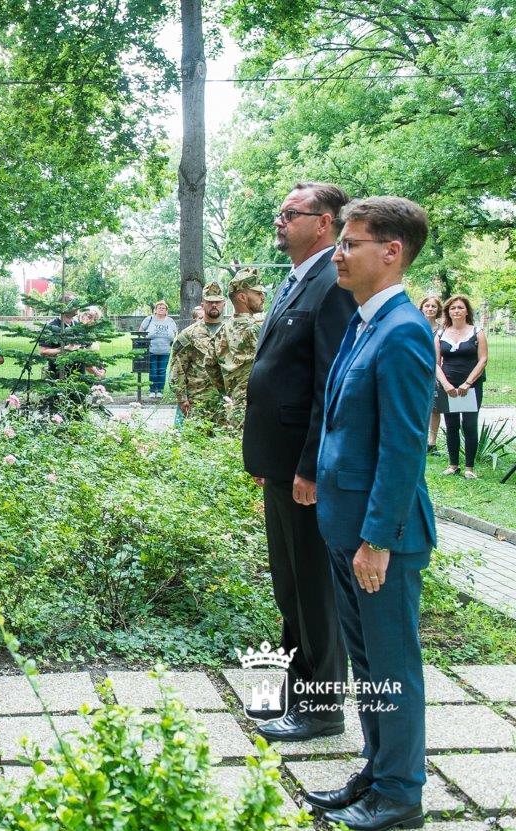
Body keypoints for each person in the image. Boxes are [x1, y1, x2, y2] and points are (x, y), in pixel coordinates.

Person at [308, 196, 436, 831]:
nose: (339, 253)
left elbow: (405, 446)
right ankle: (375, 769)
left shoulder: (406, 330)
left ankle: (400, 792)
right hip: (348, 527)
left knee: (391, 666)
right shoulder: (367, 321)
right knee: (368, 665)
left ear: (391, 252)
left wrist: (376, 540)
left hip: (380, 536)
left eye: (350, 243)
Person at [242, 181, 356, 743]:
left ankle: (322, 707)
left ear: (326, 221)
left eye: (292, 213)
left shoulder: (332, 284)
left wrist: (310, 466)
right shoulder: (297, 280)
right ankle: (294, 692)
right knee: (290, 585)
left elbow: (326, 388)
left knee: (313, 586)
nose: (280, 221)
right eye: (280, 212)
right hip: (280, 462)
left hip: (304, 471)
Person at [436, 294, 489, 478]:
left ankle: (469, 468)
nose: (456, 311)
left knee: (469, 424)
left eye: (460, 307)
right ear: (448, 312)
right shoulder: (441, 334)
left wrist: (468, 383)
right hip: (448, 386)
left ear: (467, 311)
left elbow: (483, 360)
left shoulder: (477, 331)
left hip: (471, 386)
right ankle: (453, 465)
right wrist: (445, 384)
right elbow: (435, 363)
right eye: (452, 308)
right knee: (451, 425)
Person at [168, 282, 228, 423]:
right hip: (198, 401)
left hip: (227, 400)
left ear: (224, 304)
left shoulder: (232, 332)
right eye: (210, 302)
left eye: (217, 302)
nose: (214, 305)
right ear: (202, 305)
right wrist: (182, 399)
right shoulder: (189, 334)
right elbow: (177, 368)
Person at [217, 269, 266, 422]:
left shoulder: (222, 329)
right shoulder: (258, 328)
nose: (262, 297)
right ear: (243, 297)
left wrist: (228, 390)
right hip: (256, 406)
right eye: (258, 293)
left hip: (234, 405)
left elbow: (210, 365)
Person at [418, 295, 444, 453]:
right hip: (418, 370)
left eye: (433, 306)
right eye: (427, 306)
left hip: (437, 372)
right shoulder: (416, 326)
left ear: (438, 310)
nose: (430, 309)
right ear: (421, 308)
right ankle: (420, 438)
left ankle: (432, 442)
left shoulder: (442, 330)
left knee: (435, 408)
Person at [139, 300, 178, 398]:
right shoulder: (149, 319)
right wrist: (144, 341)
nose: (161, 309)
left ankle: (160, 390)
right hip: (152, 350)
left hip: (165, 350)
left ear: (166, 311)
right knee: (153, 370)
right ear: (155, 310)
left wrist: (171, 341)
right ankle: (152, 390)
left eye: (163, 308)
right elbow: (141, 331)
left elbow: (175, 333)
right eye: (159, 308)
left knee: (162, 371)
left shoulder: (170, 321)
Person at [38, 294, 79, 380]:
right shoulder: (51, 327)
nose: (78, 306)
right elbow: (43, 351)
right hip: (58, 374)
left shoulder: (78, 325)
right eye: (74, 304)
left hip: (79, 373)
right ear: (63, 307)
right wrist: (65, 348)